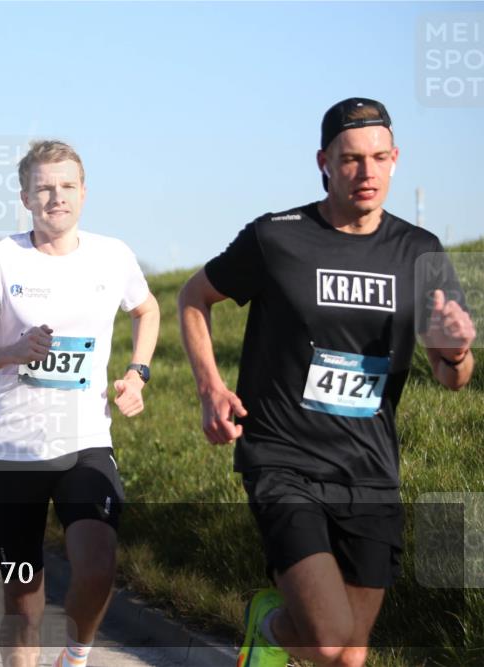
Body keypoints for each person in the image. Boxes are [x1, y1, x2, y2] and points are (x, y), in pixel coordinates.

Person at [177, 98, 476, 667]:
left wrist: (457, 351)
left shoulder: (420, 252)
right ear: (324, 162)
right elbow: (193, 297)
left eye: (379, 158)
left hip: (369, 466)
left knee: (350, 655)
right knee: (327, 640)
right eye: (351, 159)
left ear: (395, 160)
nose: (366, 172)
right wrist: (210, 388)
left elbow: (453, 376)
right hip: (283, 458)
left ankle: (277, 632)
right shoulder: (277, 238)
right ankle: (269, 627)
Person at [0, 140, 160, 667]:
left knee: (98, 568)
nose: (56, 197)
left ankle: (75, 656)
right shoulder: (1, 259)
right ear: (25, 198)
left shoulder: (113, 255)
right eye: (43, 188)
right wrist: (10, 352)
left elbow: (146, 310)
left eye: (66, 186)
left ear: (83, 192)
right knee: (23, 602)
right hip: (14, 450)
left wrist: (137, 373)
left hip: (86, 441)